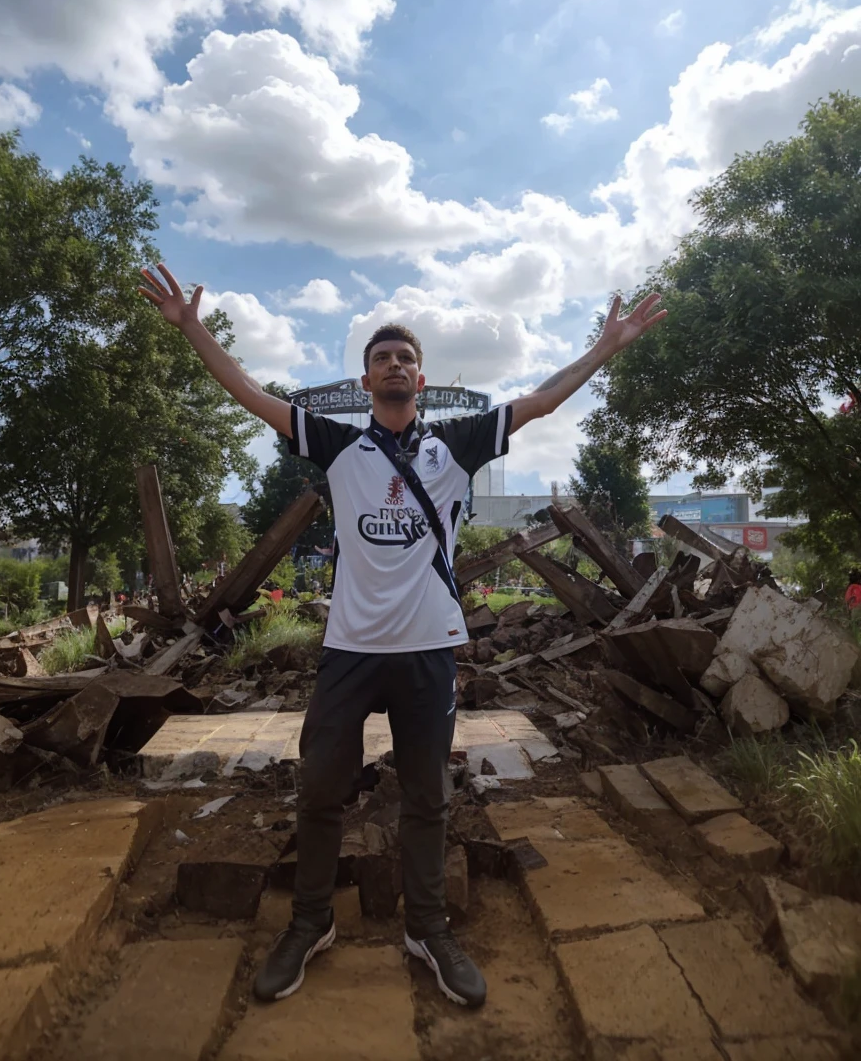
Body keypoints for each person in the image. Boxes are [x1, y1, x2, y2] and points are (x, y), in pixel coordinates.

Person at [139, 262, 665, 1008]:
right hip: (350, 652)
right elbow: (252, 395)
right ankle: (311, 922)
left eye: (406, 358)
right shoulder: (334, 446)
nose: (395, 365)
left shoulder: (456, 446)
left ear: (421, 379)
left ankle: (427, 928)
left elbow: (542, 401)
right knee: (321, 790)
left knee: (428, 797)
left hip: (425, 652)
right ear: (364, 381)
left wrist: (607, 346)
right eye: (382, 357)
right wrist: (193, 329)